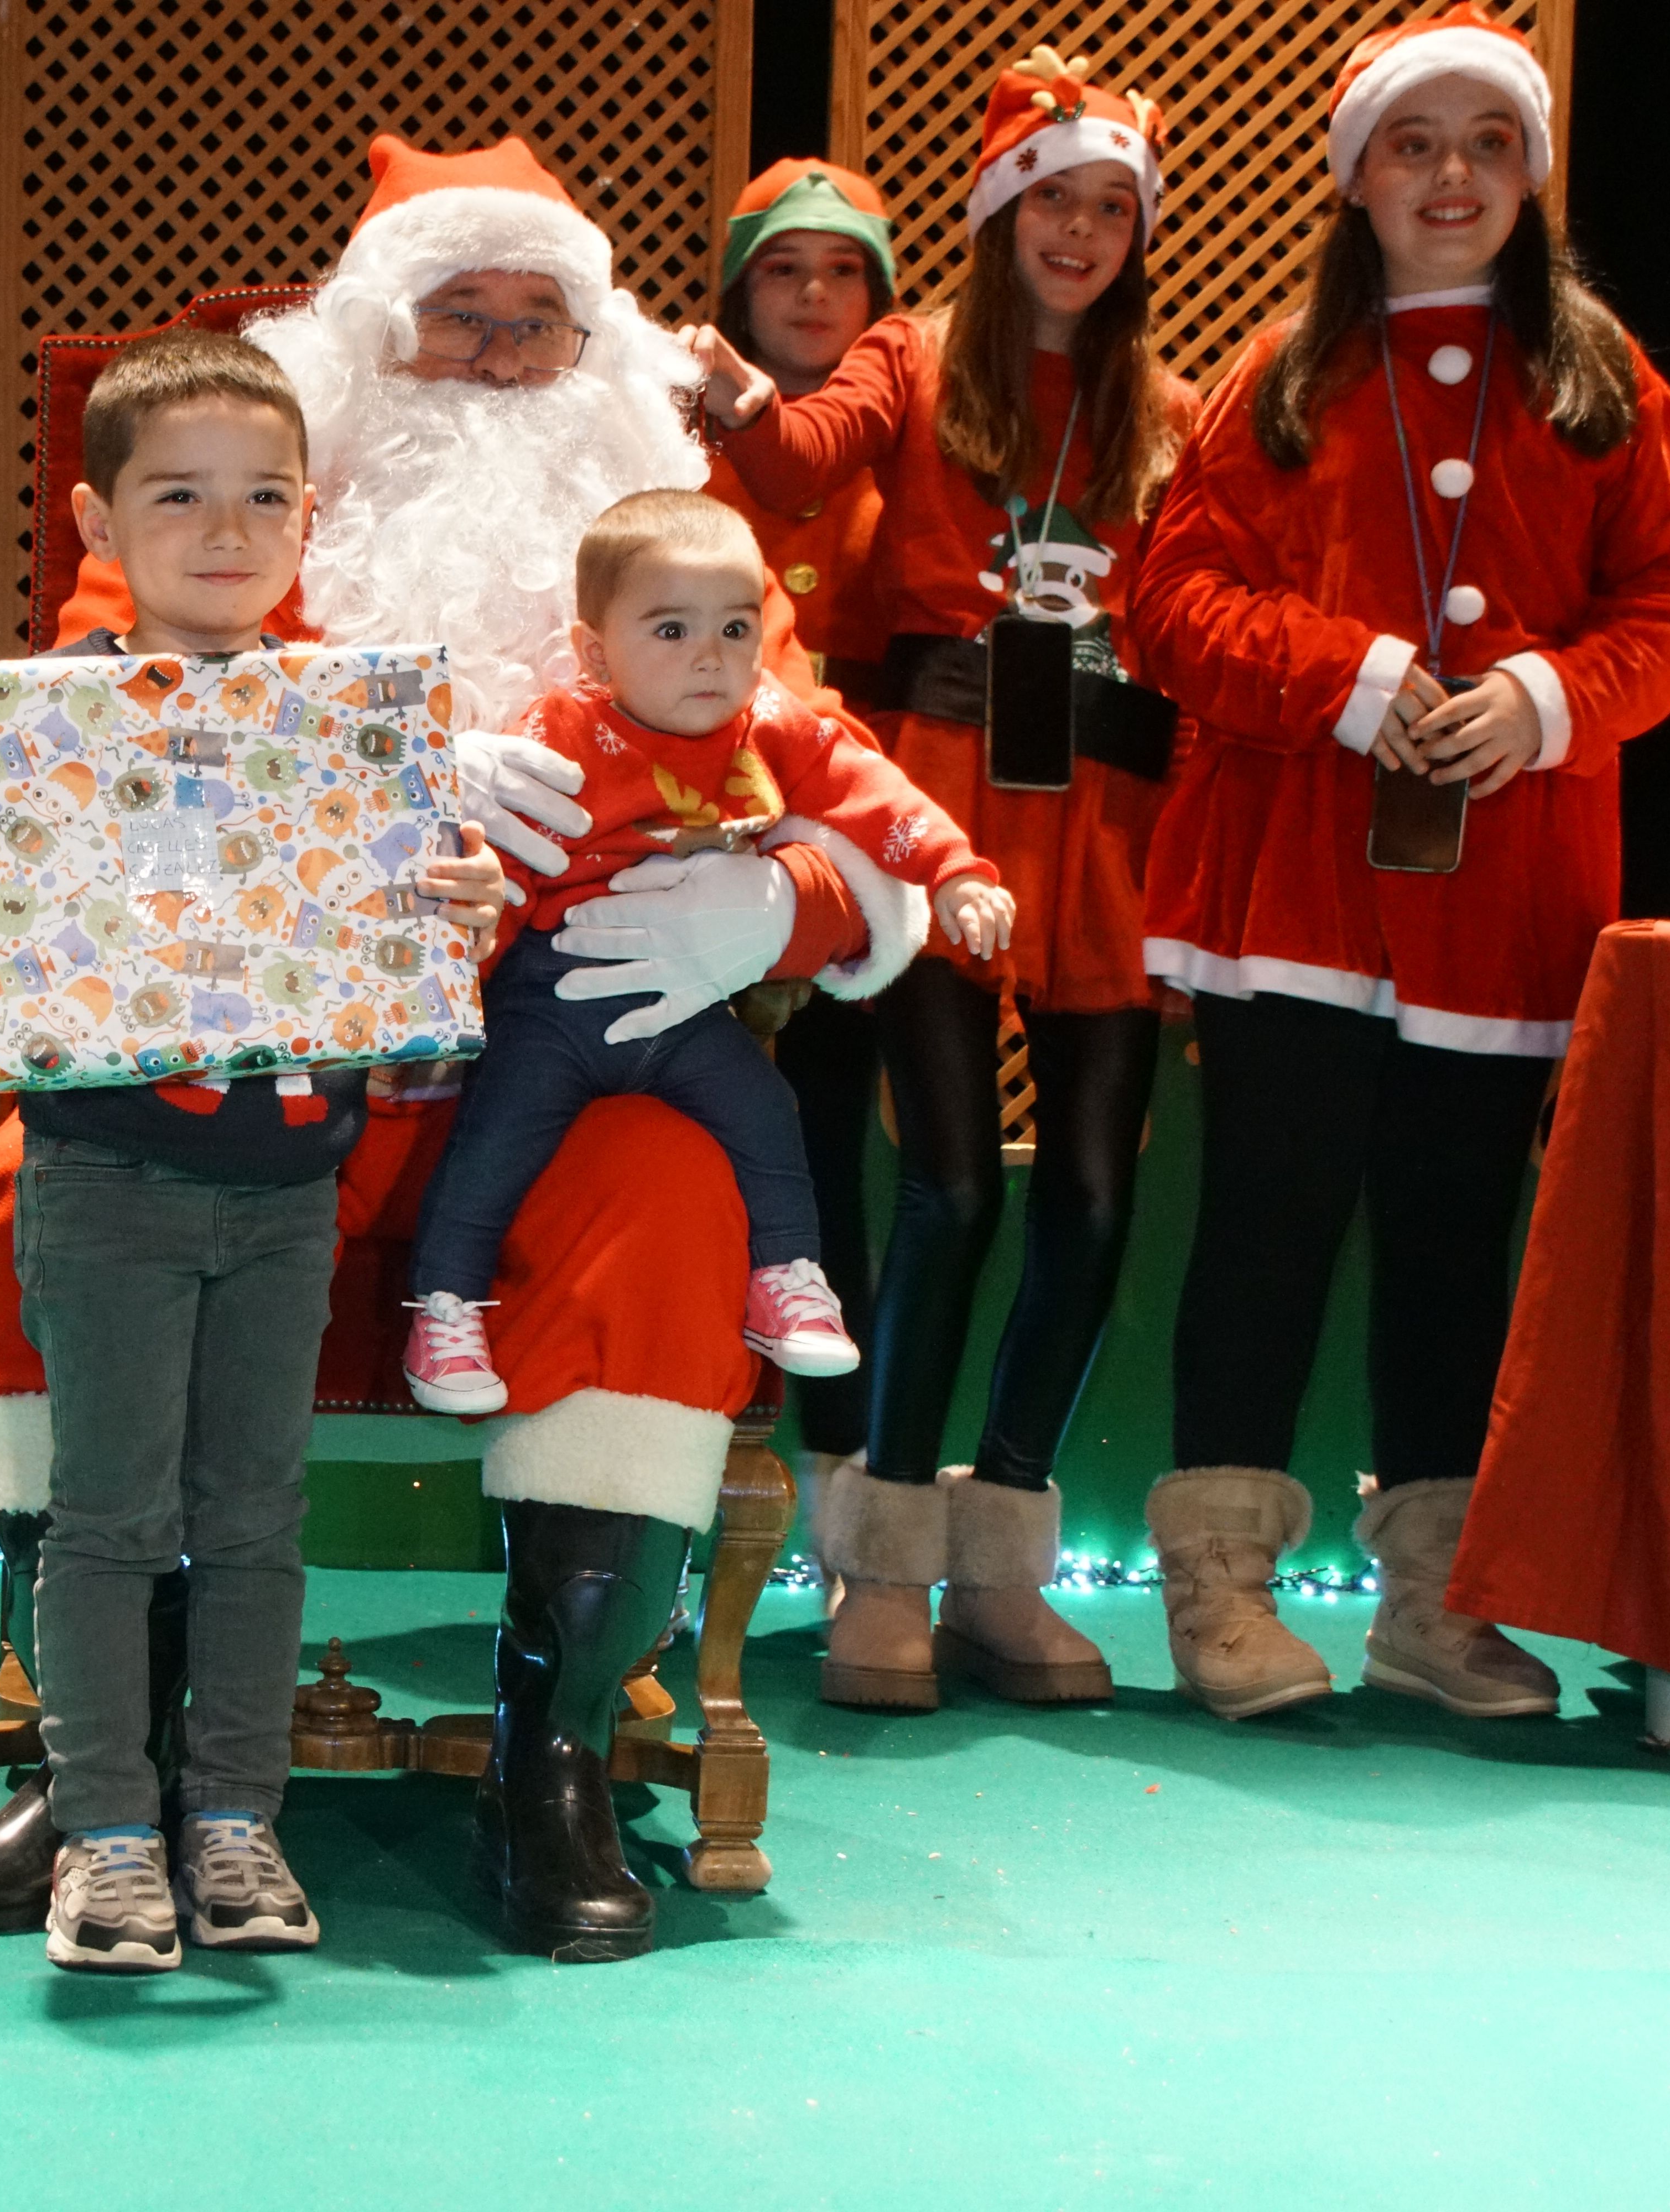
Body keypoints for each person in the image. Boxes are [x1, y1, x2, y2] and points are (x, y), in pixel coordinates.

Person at [0, 135, 927, 1964]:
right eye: (461, 320)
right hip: (261, 1091)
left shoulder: (693, 575)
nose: (504, 364)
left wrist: (787, 909)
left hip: (574, 1077)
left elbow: (841, 800)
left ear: (598, 363)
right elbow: (28, 796)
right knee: (31, 1188)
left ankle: (556, 1750)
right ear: (370, 340)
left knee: (676, 1213)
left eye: (543, 327)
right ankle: (105, 1754)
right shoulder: (224, 547)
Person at [0, 330, 509, 1971]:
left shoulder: (356, 728)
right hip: (107, 1180)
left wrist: (459, 911)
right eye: (181, 496)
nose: (229, 531)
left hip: (290, 1190)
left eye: (267, 498)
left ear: (308, 521)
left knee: (254, 1522)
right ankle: (102, 1835)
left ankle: (232, 1824)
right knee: (106, 1521)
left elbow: (416, 945)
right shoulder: (42, 729)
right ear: (98, 519)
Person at [1130, 6, 1670, 1719]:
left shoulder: (1609, 386)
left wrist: (1547, 700)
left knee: (1464, 1241)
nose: (1450, 175)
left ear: (1531, 173)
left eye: (1485, 143)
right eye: (1414, 144)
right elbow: (1172, 604)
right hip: (1296, 888)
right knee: (1269, 1225)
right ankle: (1222, 1596)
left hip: (1509, 898)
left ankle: (1434, 1603)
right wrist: (1360, 683)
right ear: (1359, 181)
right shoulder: (1282, 381)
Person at [703, 48, 1189, 1714]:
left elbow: (1194, 619)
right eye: (1054, 195)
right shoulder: (911, 360)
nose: (1081, 228)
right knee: (953, 1188)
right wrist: (727, 395)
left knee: (1097, 1201)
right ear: (1002, 212)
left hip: (1105, 816)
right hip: (932, 800)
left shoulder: (1162, 416)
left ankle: (999, 1560)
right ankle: (883, 1561)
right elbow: (789, 461)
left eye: (1112, 204)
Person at [399, 489, 1013, 1412]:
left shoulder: (765, 720)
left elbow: (866, 785)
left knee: (767, 1107)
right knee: (492, 1147)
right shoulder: (559, 731)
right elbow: (501, 873)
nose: (712, 658)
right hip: (550, 1000)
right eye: (674, 631)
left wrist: (953, 871)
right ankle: (444, 1312)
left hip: (686, 1004)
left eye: (735, 629)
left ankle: (789, 1278)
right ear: (596, 654)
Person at [695, 159, 901, 1502]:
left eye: (842, 271)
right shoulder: (679, 441)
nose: (815, 293)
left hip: (864, 834)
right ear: (740, 291)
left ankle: (836, 1475)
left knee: (832, 1144)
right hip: (706, 831)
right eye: (785, 268)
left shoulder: (916, 431)